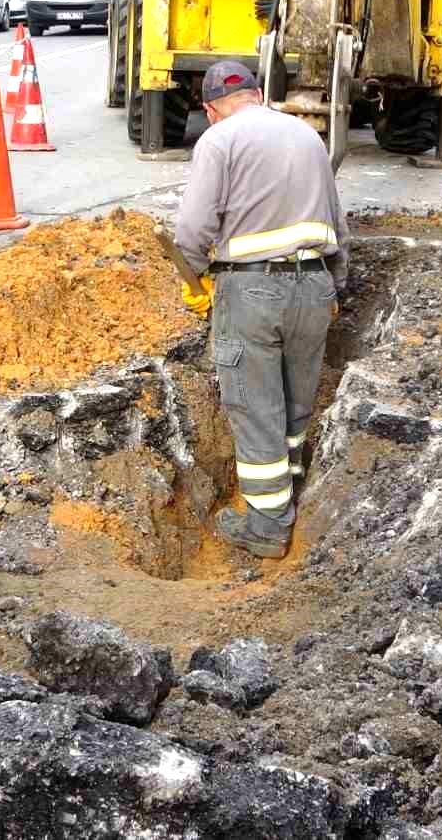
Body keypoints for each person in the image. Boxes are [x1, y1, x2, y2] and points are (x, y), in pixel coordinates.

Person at [173, 61, 349, 559]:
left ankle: (269, 527)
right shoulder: (308, 136)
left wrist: (193, 281)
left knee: (255, 409)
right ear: (257, 93)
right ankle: (288, 497)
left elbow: (191, 230)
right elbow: (340, 226)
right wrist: (335, 288)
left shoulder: (219, 140)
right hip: (314, 286)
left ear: (211, 110)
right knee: (295, 404)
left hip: (251, 289)